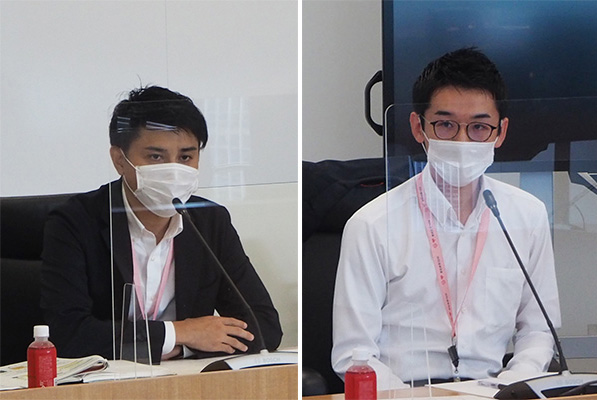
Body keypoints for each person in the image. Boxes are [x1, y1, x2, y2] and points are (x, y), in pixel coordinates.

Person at [331, 48, 560, 388]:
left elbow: (539, 330)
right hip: (405, 392)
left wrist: (513, 385)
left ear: (501, 132)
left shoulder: (526, 215)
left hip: (492, 391)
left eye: (479, 127)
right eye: (446, 125)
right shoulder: (372, 225)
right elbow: (353, 354)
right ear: (418, 127)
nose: (462, 140)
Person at [40, 86, 282, 363]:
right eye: (156, 157)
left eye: (186, 157)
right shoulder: (75, 222)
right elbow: (68, 334)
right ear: (119, 160)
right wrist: (180, 333)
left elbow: (264, 326)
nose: (173, 170)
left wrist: (184, 346)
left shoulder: (210, 221)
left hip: (185, 379)